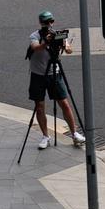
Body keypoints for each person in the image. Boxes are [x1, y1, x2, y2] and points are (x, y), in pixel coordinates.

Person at [27, 10, 85, 150]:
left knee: (64, 103)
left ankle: (74, 133)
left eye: (50, 21)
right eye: (46, 22)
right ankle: (45, 136)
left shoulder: (58, 35)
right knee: (39, 107)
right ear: (41, 23)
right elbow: (36, 48)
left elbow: (69, 50)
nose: (49, 24)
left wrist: (64, 45)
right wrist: (46, 42)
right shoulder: (35, 35)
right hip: (38, 75)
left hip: (54, 74)